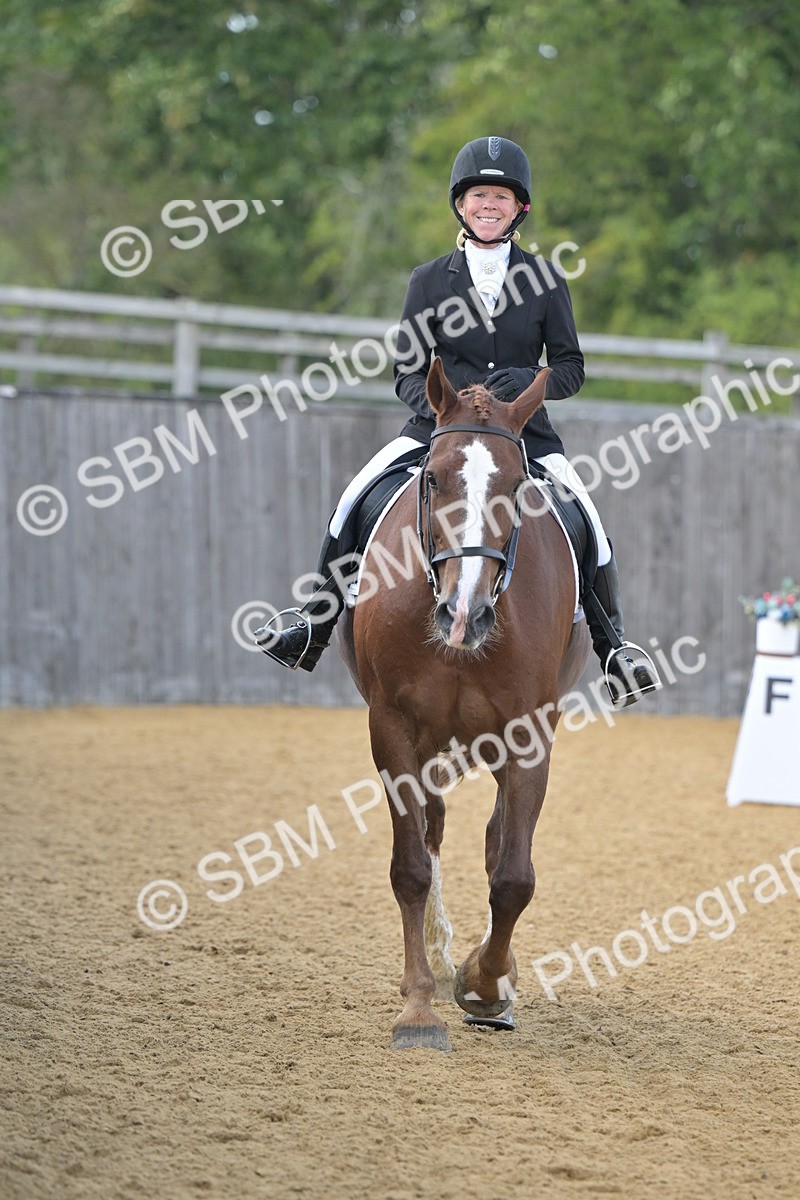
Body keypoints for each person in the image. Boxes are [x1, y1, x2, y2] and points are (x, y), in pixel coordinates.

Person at [257, 136, 658, 706]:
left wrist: (524, 384)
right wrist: (442, 415)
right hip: (437, 433)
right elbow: (406, 371)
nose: (488, 205)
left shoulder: (546, 280)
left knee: (586, 516)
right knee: (354, 499)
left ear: (519, 208)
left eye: (500, 196)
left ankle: (615, 647)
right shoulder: (427, 280)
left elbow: (570, 368)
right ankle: (313, 625)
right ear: (460, 206)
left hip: (522, 434)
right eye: (477, 195)